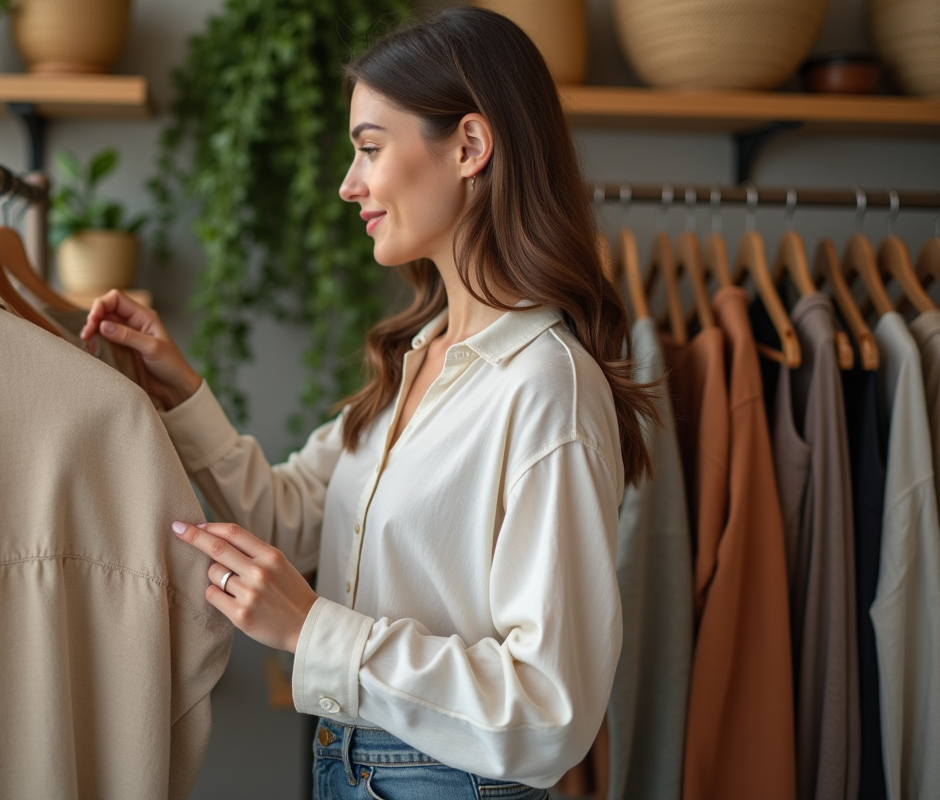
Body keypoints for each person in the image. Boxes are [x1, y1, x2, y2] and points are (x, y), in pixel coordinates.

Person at [81, 7, 659, 798]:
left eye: (370, 149)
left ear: (469, 146)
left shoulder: (545, 386)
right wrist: (179, 390)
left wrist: (315, 630)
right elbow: (289, 517)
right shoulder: (415, 363)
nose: (349, 184)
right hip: (346, 768)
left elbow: (548, 709)